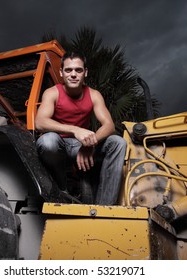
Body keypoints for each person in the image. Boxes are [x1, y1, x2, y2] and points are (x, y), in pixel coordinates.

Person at [35, 51, 127, 205]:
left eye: (78, 70)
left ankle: (105, 207)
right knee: (47, 141)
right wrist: (75, 130)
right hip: (60, 145)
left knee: (118, 142)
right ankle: (63, 189)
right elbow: (40, 122)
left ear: (85, 72)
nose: (73, 74)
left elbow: (109, 126)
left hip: (82, 145)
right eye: (68, 70)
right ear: (61, 73)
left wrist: (90, 143)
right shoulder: (52, 93)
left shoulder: (94, 94)